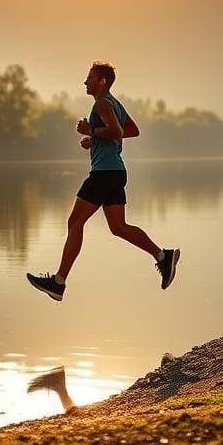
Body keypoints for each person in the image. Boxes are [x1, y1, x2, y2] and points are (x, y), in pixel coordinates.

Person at [26, 61, 179, 301]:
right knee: (118, 227)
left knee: (75, 221)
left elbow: (117, 132)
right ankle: (163, 256)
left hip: (104, 173)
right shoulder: (114, 104)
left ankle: (58, 282)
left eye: (90, 77)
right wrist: (97, 139)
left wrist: (92, 131)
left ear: (102, 81)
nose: (85, 81)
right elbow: (131, 130)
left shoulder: (101, 103)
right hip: (116, 171)